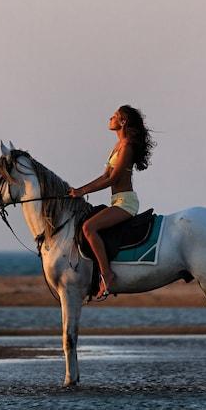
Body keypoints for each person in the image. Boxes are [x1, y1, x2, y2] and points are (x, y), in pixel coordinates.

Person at [68, 105, 155, 300]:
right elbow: (104, 176)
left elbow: (113, 179)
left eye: (114, 116)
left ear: (122, 122)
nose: (110, 118)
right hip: (116, 200)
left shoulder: (127, 147)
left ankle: (106, 274)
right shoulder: (117, 147)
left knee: (89, 228)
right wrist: (79, 190)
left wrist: (82, 191)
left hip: (126, 203)